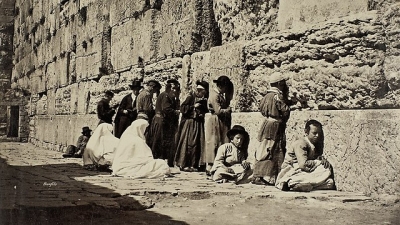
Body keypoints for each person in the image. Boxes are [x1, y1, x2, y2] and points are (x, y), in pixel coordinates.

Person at [252, 72, 298, 185]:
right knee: (273, 149)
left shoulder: (265, 96)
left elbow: (261, 109)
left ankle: (259, 174)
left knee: (264, 148)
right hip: (275, 126)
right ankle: (269, 176)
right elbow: (284, 110)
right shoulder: (278, 96)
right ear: (278, 83)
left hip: (266, 124)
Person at [275, 120, 335, 192]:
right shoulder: (301, 143)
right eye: (314, 133)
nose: (317, 136)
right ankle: (291, 183)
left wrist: (321, 159)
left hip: (304, 172)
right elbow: (303, 165)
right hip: (292, 171)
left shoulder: (312, 144)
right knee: (324, 168)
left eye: (319, 133)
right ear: (306, 132)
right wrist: (318, 162)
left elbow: (313, 157)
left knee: (330, 183)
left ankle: (303, 186)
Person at [174, 80, 209, 172]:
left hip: (198, 123)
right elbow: (182, 108)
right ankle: (184, 164)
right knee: (188, 143)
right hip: (190, 124)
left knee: (197, 144)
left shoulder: (203, 100)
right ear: (199, 91)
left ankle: (194, 164)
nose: (203, 95)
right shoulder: (190, 97)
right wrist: (193, 107)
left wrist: (201, 113)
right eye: (202, 93)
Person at [203, 75, 234, 174]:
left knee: (219, 141)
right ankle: (210, 165)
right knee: (213, 142)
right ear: (222, 86)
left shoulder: (219, 95)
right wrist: (228, 110)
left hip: (219, 121)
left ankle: (216, 165)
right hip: (215, 121)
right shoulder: (214, 95)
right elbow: (218, 110)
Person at [146, 79, 180, 167]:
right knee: (159, 141)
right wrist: (176, 112)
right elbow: (166, 109)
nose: (175, 90)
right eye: (173, 88)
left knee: (161, 142)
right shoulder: (165, 96)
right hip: (161, 121)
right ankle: (157, 161)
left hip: (163, 122)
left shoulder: (169, 96)